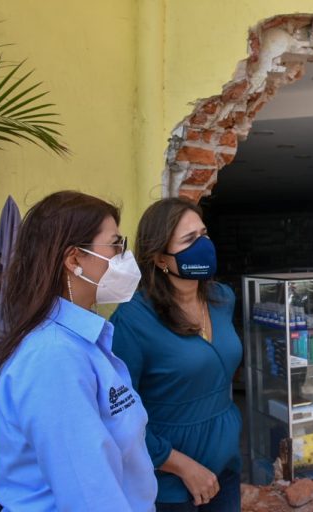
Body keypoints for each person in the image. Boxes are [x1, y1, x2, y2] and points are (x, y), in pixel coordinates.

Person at [0, 191, 156, 511]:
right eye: (116, 245)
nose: (124, 256)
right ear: (74, 259)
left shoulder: (79, 341)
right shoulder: (54, 358)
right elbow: (89, 495)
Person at [111, 198, 242, 511]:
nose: (204, 245)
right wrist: (181, 466)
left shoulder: (222, 298)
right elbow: (119, 413)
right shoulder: (132, 319)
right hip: (169, 480)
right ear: (159, 259)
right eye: (189, 240)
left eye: (204, 234)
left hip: (224, 467)